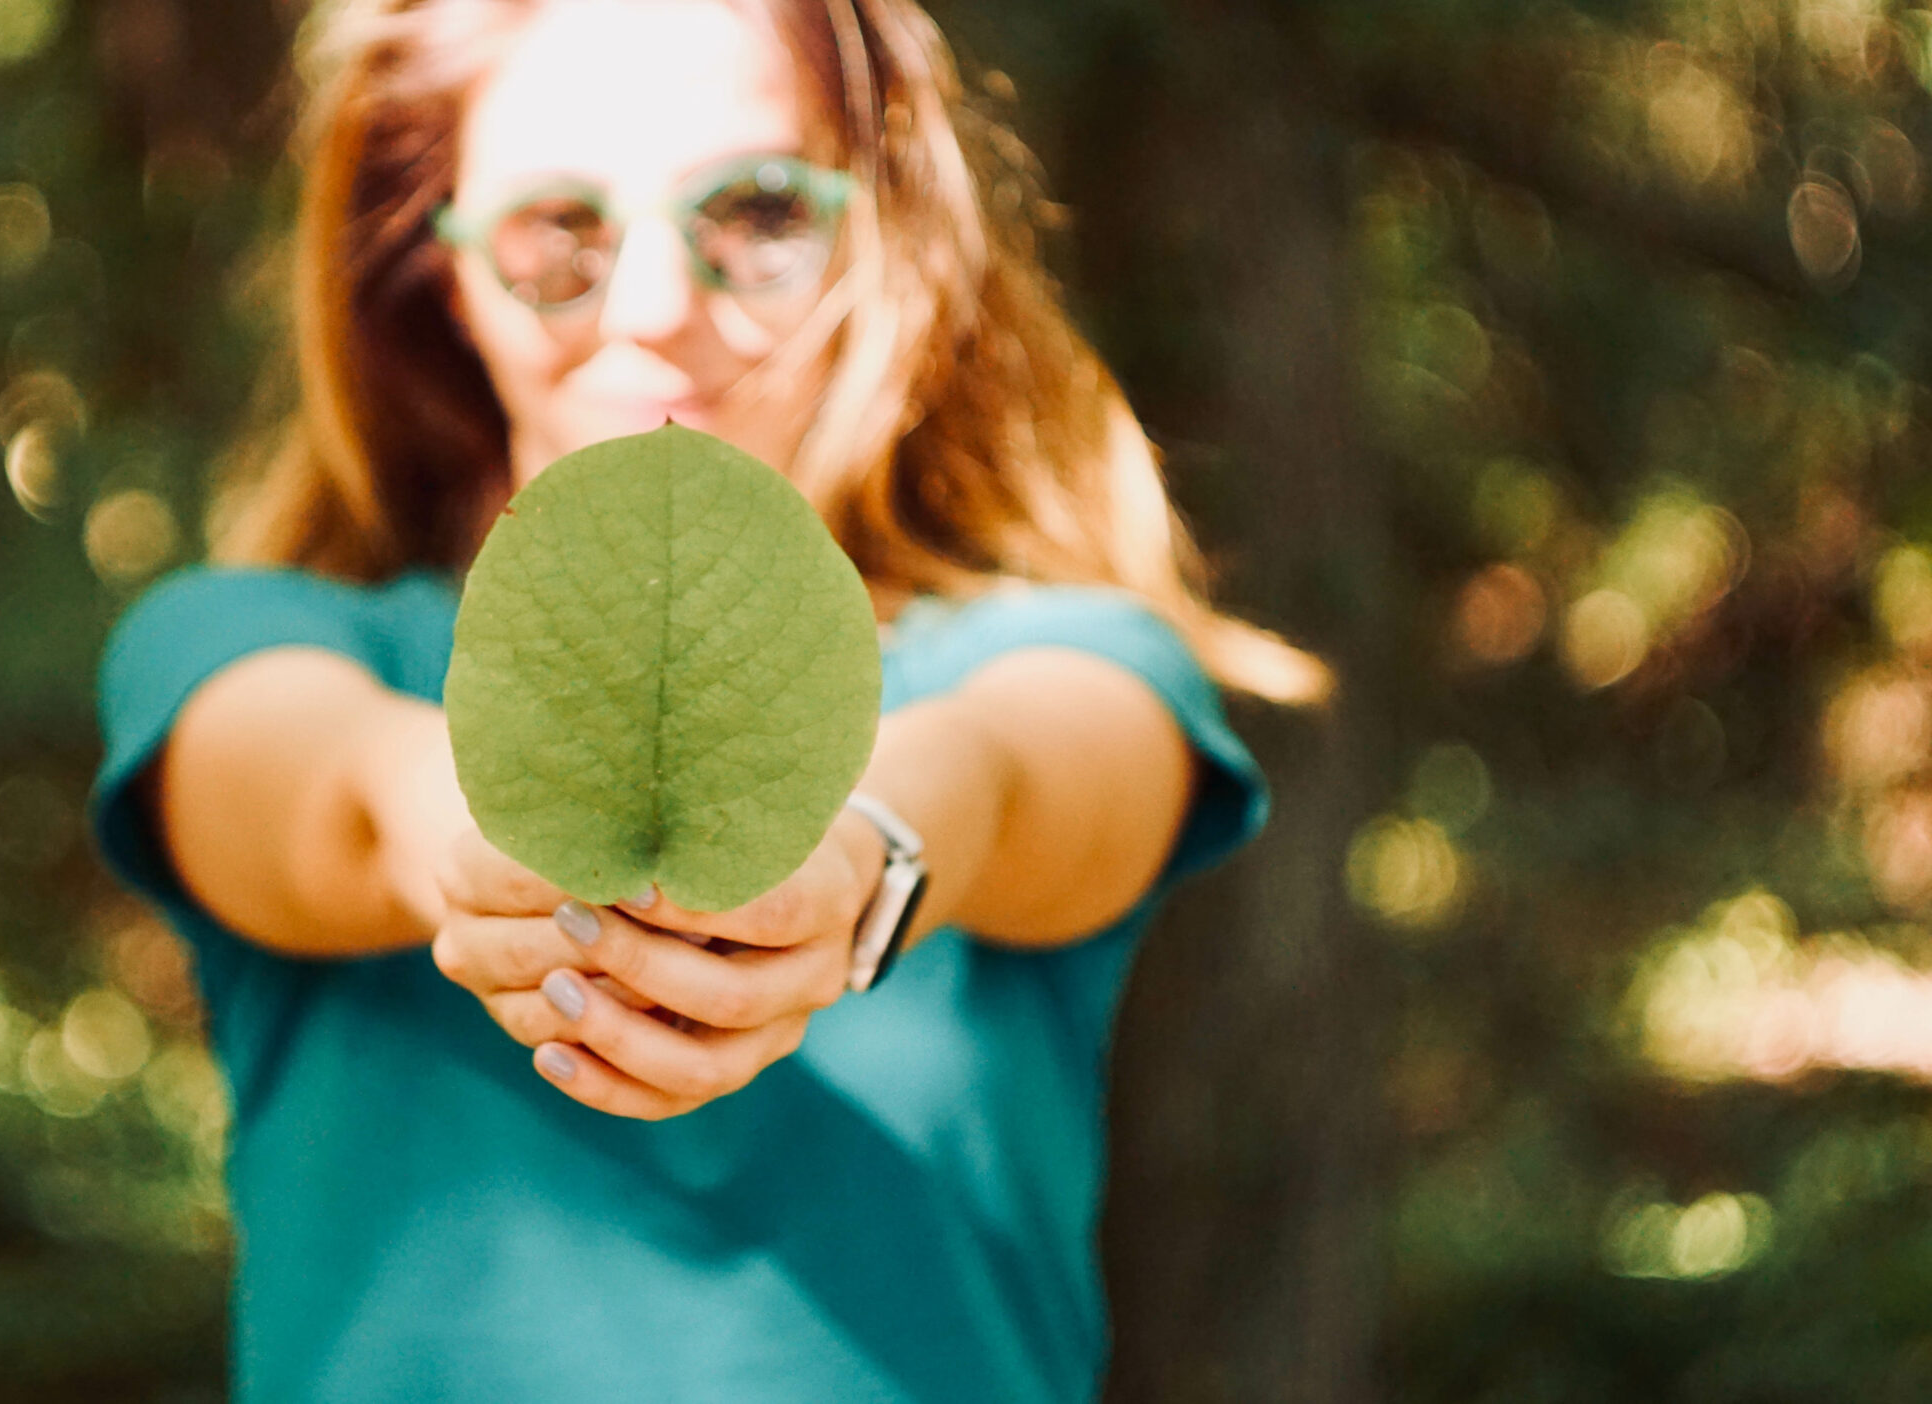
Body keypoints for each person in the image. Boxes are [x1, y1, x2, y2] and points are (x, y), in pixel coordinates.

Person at [90, 0, 1327, 1398]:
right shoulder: (240, 643)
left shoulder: (1068, 658)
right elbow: (335, 802)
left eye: (756, 212)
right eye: (557, 229)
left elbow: (1017, 778)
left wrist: (859, 856)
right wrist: (495, 844)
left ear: (879, 233)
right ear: (439, 268)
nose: (658, 305)